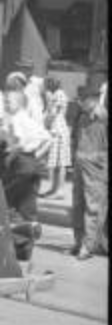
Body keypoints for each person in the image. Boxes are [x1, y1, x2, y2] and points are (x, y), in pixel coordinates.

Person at [0, 81, 50, 265]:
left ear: (19, 103)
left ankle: (21, 241)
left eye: (8, 101)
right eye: (4, 100)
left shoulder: (16, 119)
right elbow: (47, 138)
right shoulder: (25, 119)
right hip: (29, 164)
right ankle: (24, 250)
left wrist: (13, 155)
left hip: (19, 165)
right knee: (25, 207)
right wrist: (35, 156)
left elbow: (17, 142)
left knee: (9, 205)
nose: (5, 104)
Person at [70, 84, 108, 260]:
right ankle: (78, 242)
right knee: (78, 205)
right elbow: (76, 138)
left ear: (93, 99)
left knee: (92, 207)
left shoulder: (102, 116)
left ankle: (88, 245)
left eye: (82, 99)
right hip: (80, 163)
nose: (79, 102)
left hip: (95, 167)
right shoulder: (83, 115)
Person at [40, 76, 71, 198]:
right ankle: (54, 189)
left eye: (46, 84)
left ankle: (60, 191)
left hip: (58, 131)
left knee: (60, 162)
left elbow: (52, 113)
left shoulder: (58, 94)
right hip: (57, 129)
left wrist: (44, 122)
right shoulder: (58, 94)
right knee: (56, 163)